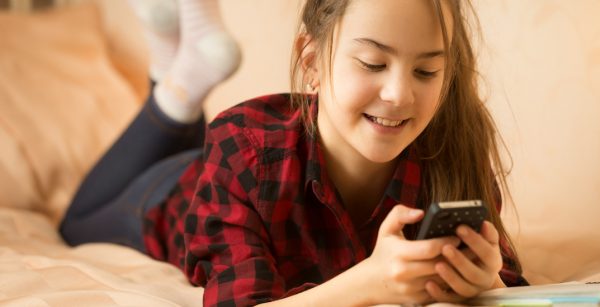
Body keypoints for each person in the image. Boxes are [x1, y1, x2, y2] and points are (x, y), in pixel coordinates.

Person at [59, 0, 529, 306]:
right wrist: (372, 282)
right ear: (311, 63)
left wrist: (488, 283)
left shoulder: (454, 153)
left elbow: (510, 282)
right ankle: (176, 82)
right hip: (171, 194)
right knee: (73, 223)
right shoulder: (242, 146)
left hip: (228, 168)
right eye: (373, 64)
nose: (399, 94)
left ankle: (178, 65)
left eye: (427, 72)